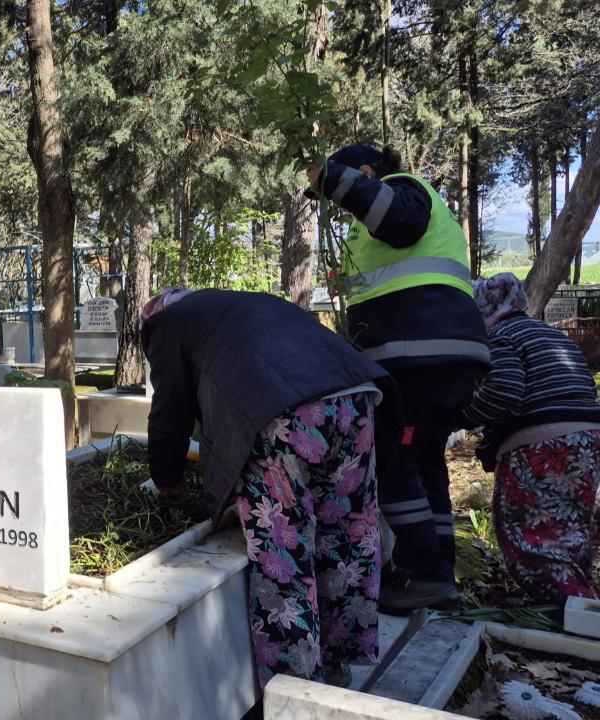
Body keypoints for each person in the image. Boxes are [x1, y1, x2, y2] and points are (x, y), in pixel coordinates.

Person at [142, 288, 391, 687]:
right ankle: (335, 666)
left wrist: (166, 480)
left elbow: (170, 410)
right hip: (355, 398)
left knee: (284, 554)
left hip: (283, 416)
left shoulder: (167, 323)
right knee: (344, 536)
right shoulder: (239, 306)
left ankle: (296, 692)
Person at [306, 144, 490, 613]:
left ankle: (424, 574)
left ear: (366, 173)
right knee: (425, 462)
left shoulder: (402, 189)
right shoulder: (382, 219)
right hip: (438, 357)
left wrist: (330, 177)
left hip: (418, 358)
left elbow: (399, 221)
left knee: (394, 463)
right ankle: (438, 571)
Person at [458, 274, 600, 604]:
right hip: (588, 440)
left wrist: (461, 417)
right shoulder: (549, 333)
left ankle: (566, 605)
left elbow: (504, 392)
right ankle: (581, 600)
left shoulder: (500, 336)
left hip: (544, 444)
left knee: (529, 532)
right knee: (568, 526)